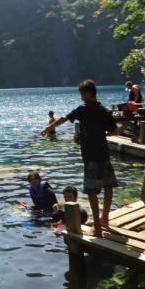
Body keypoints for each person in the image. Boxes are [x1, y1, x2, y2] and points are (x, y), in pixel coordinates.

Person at [40, 79, 118, 237]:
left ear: (87, 93)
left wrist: (49, 127)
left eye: (82, 94)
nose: (82, 98)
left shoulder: (83, 109)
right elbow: (115, 131)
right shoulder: (104, 110)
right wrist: (101, 134)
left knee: (91, 192)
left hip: (90, 156)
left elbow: (64, 118)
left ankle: (97, 227)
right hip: (104, 154)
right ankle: (104, 219)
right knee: (108, 187)